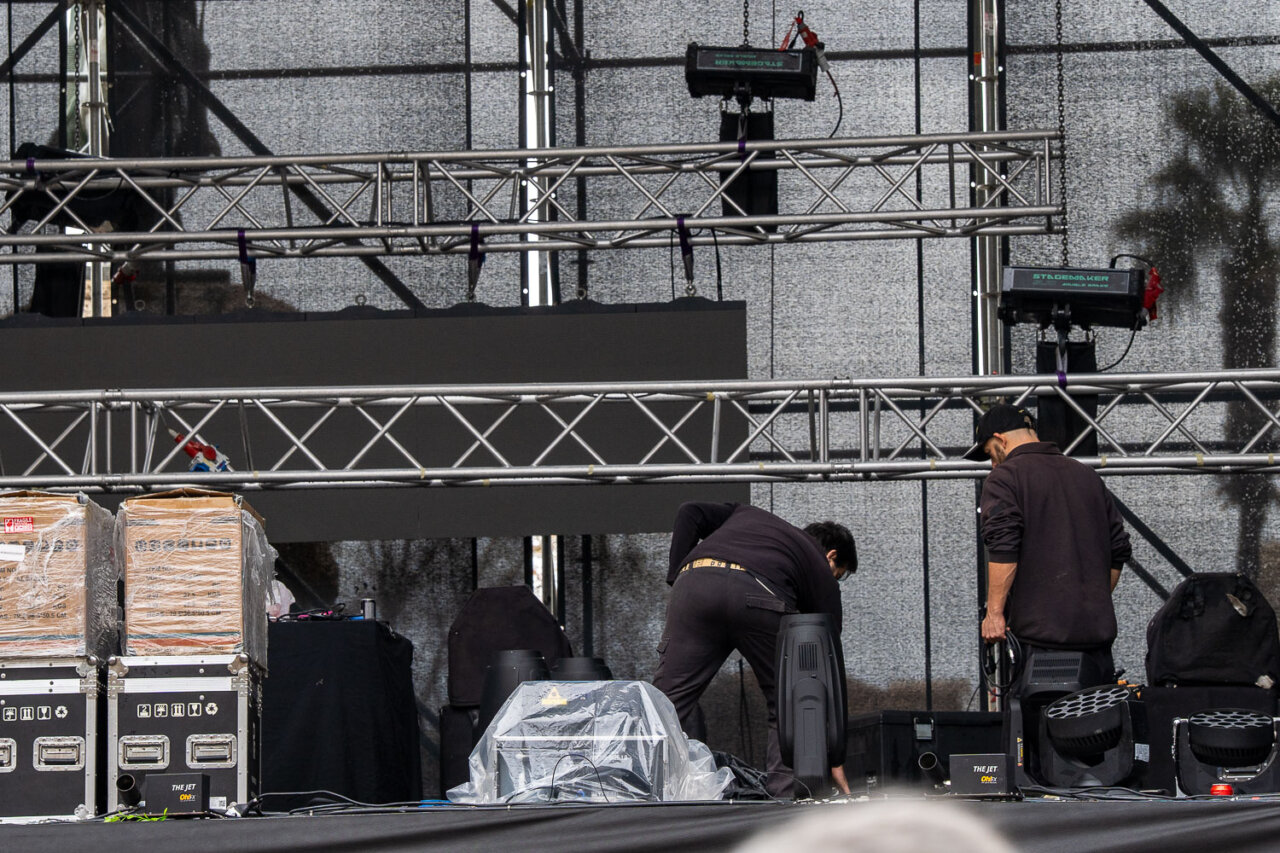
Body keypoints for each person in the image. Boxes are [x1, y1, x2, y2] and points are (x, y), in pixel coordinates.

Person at [652, 501, 856, 797]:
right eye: (840, 573)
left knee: (666, 704)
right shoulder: (817, 563)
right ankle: (783, 803)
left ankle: (636, 791)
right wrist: (835, 754)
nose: (835, 579)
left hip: (694, 585)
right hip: (759, 596)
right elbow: (826, 665)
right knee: (787, 702)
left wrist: (678, 576)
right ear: (831, 556)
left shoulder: (746, 514)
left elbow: (688, 512)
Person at [966, 403, 1131, 685]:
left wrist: (994, 614)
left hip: (1041, 646)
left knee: (1039, 726)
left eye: (990, 453)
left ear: (1001, 439)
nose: (993, 464)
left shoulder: (1004, 478)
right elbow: (1119, 550)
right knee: (1098, 725)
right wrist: (1085, 601)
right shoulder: (1086, 476)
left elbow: (1004, 546)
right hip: (1096, 646)